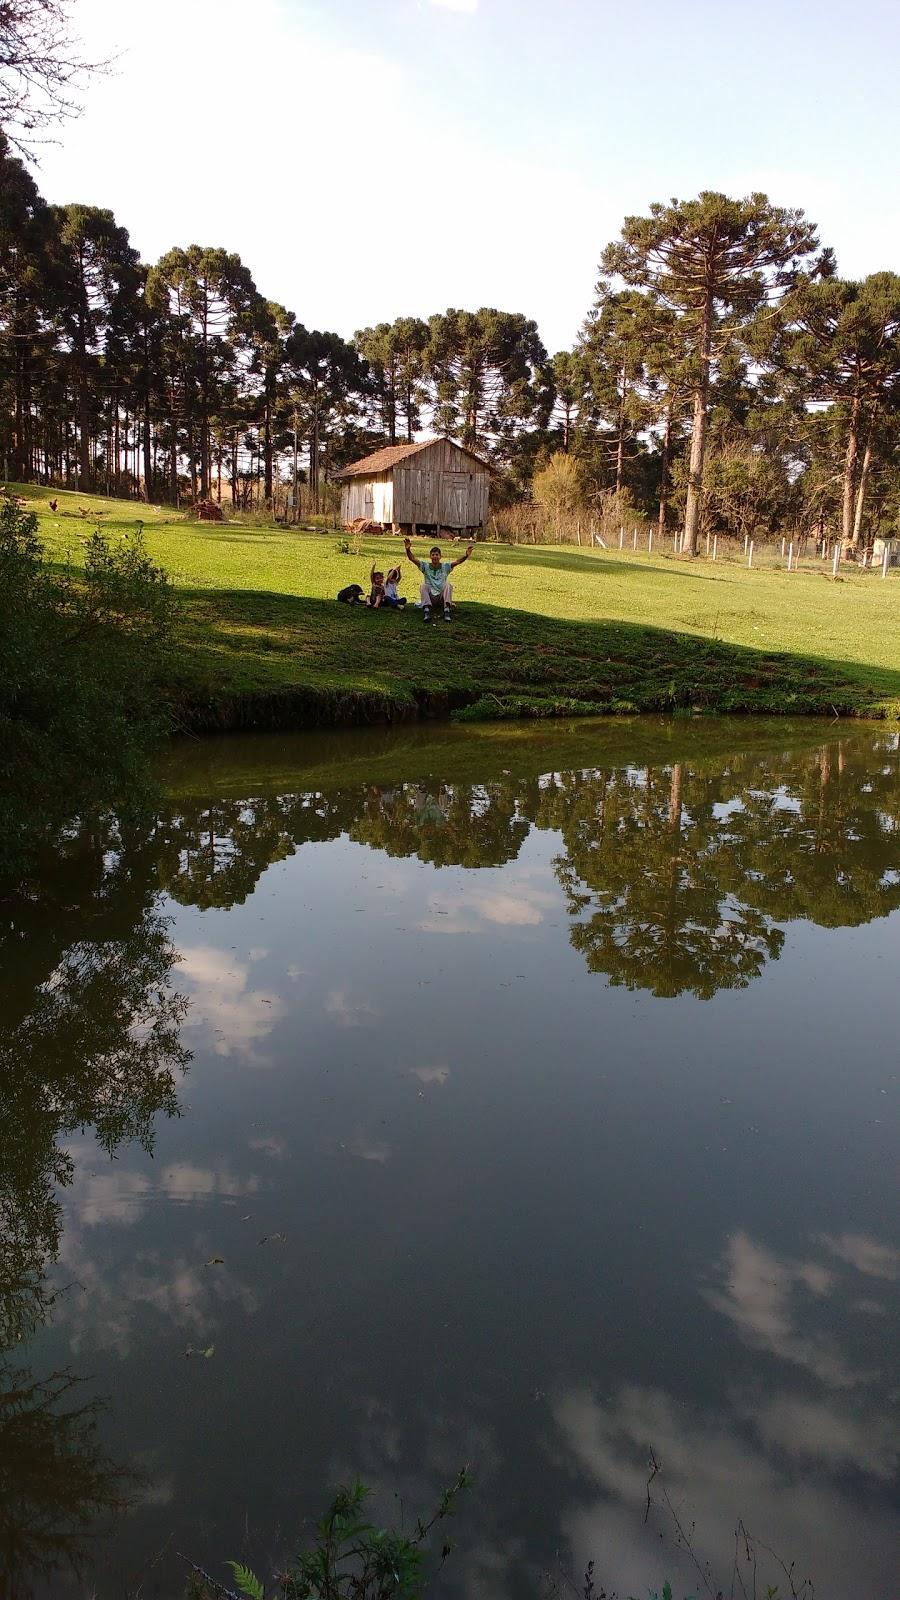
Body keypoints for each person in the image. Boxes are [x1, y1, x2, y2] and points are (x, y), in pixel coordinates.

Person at [404, 535, 474, 622]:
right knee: (423, 586)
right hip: (430, 598)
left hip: (441, 598)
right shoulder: (425, 566)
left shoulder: (445, 566)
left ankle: (447, 611)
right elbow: (413, 559)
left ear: (440, 556)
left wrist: (466, 556)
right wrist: (407, 549)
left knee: (448, 585)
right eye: (433, 555)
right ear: (430, 557)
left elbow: (457, 562)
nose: (435, 557)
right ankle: (427, 611)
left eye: (437, 555)